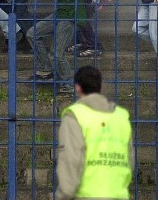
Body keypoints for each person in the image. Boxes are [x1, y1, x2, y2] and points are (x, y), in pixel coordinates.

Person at [55, 66, 134, 200]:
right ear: (101, 87)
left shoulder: (75, 116)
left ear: (77, 88)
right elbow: (130, 160)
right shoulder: (121, 117)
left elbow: (71, 159)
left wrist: (63, 195)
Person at [29, 0, 87, 94]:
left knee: (57, 53)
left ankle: (68, 84)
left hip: (70, 15)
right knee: (32, 33)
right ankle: (45, 69)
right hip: (61, 13)